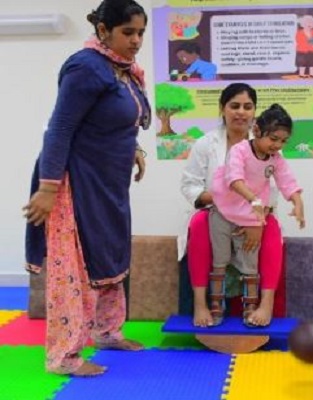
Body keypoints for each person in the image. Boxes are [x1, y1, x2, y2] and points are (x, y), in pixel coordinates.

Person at [22, 0, 151, 377]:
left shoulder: (122, 69)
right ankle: (64, 356)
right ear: (103, 31)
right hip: (75, 182)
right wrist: (47, 189)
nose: (136, 40)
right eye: (128, 32)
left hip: (108, 182)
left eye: (141, 33)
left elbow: (118, 121)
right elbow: (60, 128)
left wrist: (136, 150)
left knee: (110, 255)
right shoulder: (86, 67)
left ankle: (107, 332)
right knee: (75, 268)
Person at [180, 83, 284, 328]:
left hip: (254, 214)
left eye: (248, 107)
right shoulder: (205, 144)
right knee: (199, 222)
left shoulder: (266, 143)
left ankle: (265, 303)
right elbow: (189, 185)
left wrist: (254, 220)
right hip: (215, 212)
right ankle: (201, 304)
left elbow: (275, 187)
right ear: (222, 109)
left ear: (254, 111)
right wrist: (224, 202)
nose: (241, 112)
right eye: (234, 106)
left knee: (272, 227)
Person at [208, 104, 305, 326]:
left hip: (251, 215)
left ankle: (250, 306)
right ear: (257, 130)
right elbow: (234, 179)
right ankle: (216, 304)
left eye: (283, 141)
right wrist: (253, 199)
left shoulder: (275, 159)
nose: (277, 145)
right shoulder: (240, 150)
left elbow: (287, 182)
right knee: (220, 260)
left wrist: (298, 202)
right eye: (274, 139)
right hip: (224, 210)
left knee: (249, 263)